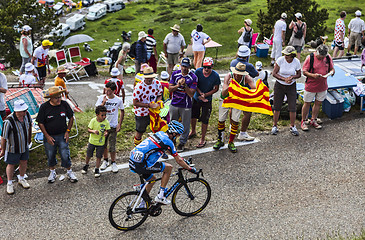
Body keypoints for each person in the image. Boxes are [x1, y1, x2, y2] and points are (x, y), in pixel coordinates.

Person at [129, 120, 197, 205]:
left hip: (133, 159)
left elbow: (170, 151)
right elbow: (178, 160)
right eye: (178, 135)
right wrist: (190, 168)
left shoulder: (160, 134)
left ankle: (143, 204)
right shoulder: (169, 142)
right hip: (141, 164)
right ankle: (160, 196)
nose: (178, 137)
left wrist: (184, 160)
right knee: (169, 168)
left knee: (152, 179)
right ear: (174, 133)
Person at [36, 86, 78, 183]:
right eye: (56, 98)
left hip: (62, 134)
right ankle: (52, 171)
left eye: (60, 97)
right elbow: (40, 122)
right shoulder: (44, 107)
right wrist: (47, 136)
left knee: (65, 154)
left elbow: (71, 117)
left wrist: (68, 131)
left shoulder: (64, 104)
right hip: (49, 136)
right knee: (50, 154)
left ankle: (69, 171)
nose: (59, 99)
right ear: (51, 98)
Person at [213, 62, 256, 153]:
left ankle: (231, 142)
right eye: (237, 73)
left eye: (240, 74)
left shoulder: (247, 78)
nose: (238, 75)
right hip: (226, 98)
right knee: (221, 119)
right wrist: (229, 86)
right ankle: (220, 140)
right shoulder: (229, 76)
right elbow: (223, 93)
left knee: (235, 120)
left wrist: (245, 91)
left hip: (237, 99)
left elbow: (254, 90)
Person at [1, 100, 32, 195]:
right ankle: (9, 183)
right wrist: (3, 149)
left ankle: (21, 178)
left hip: (24, 145)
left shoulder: (27, 115)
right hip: (13, 147)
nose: (25, 111)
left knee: (24, 162)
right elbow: (3, 137)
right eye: (23, 110)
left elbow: (30, 125)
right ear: (17, 111)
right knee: (11, 164)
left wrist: (29, 139)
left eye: (25, 109)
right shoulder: (8, 121)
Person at [301, 45, 335, 131]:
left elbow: (332, 68)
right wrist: (313, 75)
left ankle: (313, 119)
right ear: (317, 52)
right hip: (311, 85)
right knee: (307, 103)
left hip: (322, 85)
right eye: (320, 57)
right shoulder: (310, 58)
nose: (321, 58)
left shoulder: (328, 57)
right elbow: (304, 71)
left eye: (323, 57)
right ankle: (303, 121)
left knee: (318, 103)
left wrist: (331, 72)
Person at [189, 57, 220, 148]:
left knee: (205, 119)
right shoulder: (198, 72)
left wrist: (205, 95)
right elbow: (195, 84)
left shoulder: (215, 75)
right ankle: (193, 130)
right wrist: (200, 93)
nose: (206, 69)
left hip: (207, 99)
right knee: (193, 115)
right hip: (197, 97)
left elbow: (216, 88)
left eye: (209, 67)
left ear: (212, 67)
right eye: (205, 67)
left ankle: (202, 138)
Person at [271, 46, 302, 136]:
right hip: (279, 85)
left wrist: (292, 77)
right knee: (277, 105)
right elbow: (274, 73)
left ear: (292, 56)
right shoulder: (280, 60)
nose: (285, 56)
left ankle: (292, 126)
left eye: (287, 55)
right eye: (284, 54)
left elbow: (299, 74)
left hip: (291, 86)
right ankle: (275, 125)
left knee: (292, 106)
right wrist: (284, 79)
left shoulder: (296, 62)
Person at [169, 58, 198, 152]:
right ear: (180, 65)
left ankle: (182, 142)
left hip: (186, 105)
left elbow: (191, 94)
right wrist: (177, 85)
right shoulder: (175, 74)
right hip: (174, 103)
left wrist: (185, 85)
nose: (184, 68)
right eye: (183, 66)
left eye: (186, 66)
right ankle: (172, 142)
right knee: (172, 124)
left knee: (185, 125)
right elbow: (170, 88)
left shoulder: (193, 77)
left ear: (189, 67)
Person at [230, 46, 258, 141]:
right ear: (247, 55)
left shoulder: (232, 62)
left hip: (234, 91)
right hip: (245, 92)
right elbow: (255, 74)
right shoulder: (248, 66)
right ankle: (243, 133)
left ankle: (231, 127)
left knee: (233, 110)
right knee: (247, 113)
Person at [96, 82, 124, 172]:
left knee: (112, 145)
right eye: (106, 90)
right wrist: (103, 102)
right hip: (103, 125)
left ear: (114, 91)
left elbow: (122, 111)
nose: (107, 93)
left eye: (109, 91)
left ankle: (113, 162)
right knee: (103, 144)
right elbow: (97, 110)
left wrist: (119, 124)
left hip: (113, 125)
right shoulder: (101, 98)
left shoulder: (118, 100)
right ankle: (105, 160)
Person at [133, 67, 163, 147]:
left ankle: (157, 148)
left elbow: (159, 94)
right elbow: (135, 103)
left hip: (153, 111)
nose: (150, 79)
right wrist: (148, 105)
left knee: (156, 130)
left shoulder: (157, 83)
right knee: (140, 131)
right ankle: (137, 147)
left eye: (151, 77)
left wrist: (159, 101)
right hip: (141, 112)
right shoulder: (139, 87)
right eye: (147, 78)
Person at [82, 105, 110, 178]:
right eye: (102, 115)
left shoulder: (106, 122)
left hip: (101, 143)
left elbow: (107, 130)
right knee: (89, 154)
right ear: (97, 115)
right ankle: (86, 165)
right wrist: (93, 131)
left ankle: (97, 168)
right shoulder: (93, 121)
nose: (104, 117)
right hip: (92, 142)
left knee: (99, 156)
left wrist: (106, 133)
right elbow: (88, 129)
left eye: (105, 115)